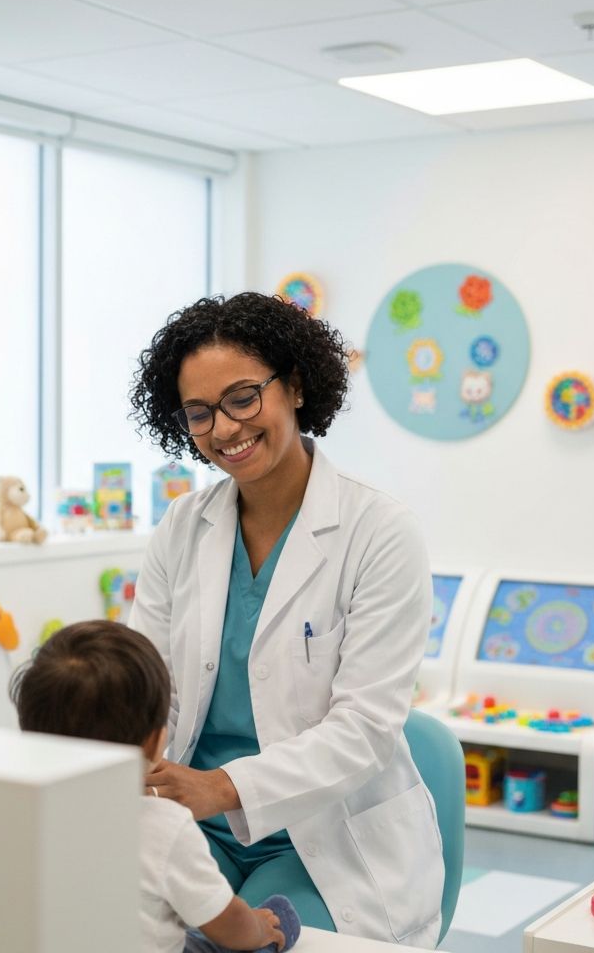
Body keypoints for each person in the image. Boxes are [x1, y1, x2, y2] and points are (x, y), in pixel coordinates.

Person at [127, 292, 444, 946]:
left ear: (295, 386)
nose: (224, 429)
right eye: (200, 413)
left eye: (243, 398)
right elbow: (140, 687)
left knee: (236, 944)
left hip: (324, 838)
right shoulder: (182, 528)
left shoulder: (378, 532)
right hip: (187, 826)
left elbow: (364, 730)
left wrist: (221, 787)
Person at [10, 620, 302, 953]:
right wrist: (259, 928)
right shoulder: (164, 826)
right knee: (276, 917)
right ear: (154, 741)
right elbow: (227, 922)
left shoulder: (20, 815)